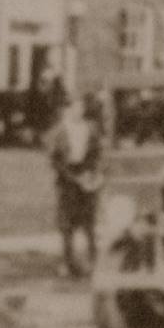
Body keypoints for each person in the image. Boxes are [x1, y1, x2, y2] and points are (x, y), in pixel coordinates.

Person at [48, 94, 103, 277]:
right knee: (67, 224)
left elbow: (96, 153)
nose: (78, 111)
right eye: (74, 108)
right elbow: (55, 160)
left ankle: (94, 261)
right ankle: (68, 263)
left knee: (89, 222)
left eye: (81, 108)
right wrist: (72, 177)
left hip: (86, 176)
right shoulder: (59, 131)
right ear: (67, 110)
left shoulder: (90, 129)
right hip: (67, 179)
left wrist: (91, 174)